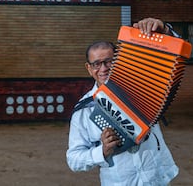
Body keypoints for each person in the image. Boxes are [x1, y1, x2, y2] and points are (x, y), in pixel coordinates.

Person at [66, 17, 179, 185]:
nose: (103, 68)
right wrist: (102, 151)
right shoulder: (84, 109)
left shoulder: (144, 85)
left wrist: (165, 31)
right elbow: (74, 159)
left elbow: (174, 58)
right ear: (89, 69)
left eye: (109, 61)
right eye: (97, 64)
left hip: (157, 177)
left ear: (119, 59)